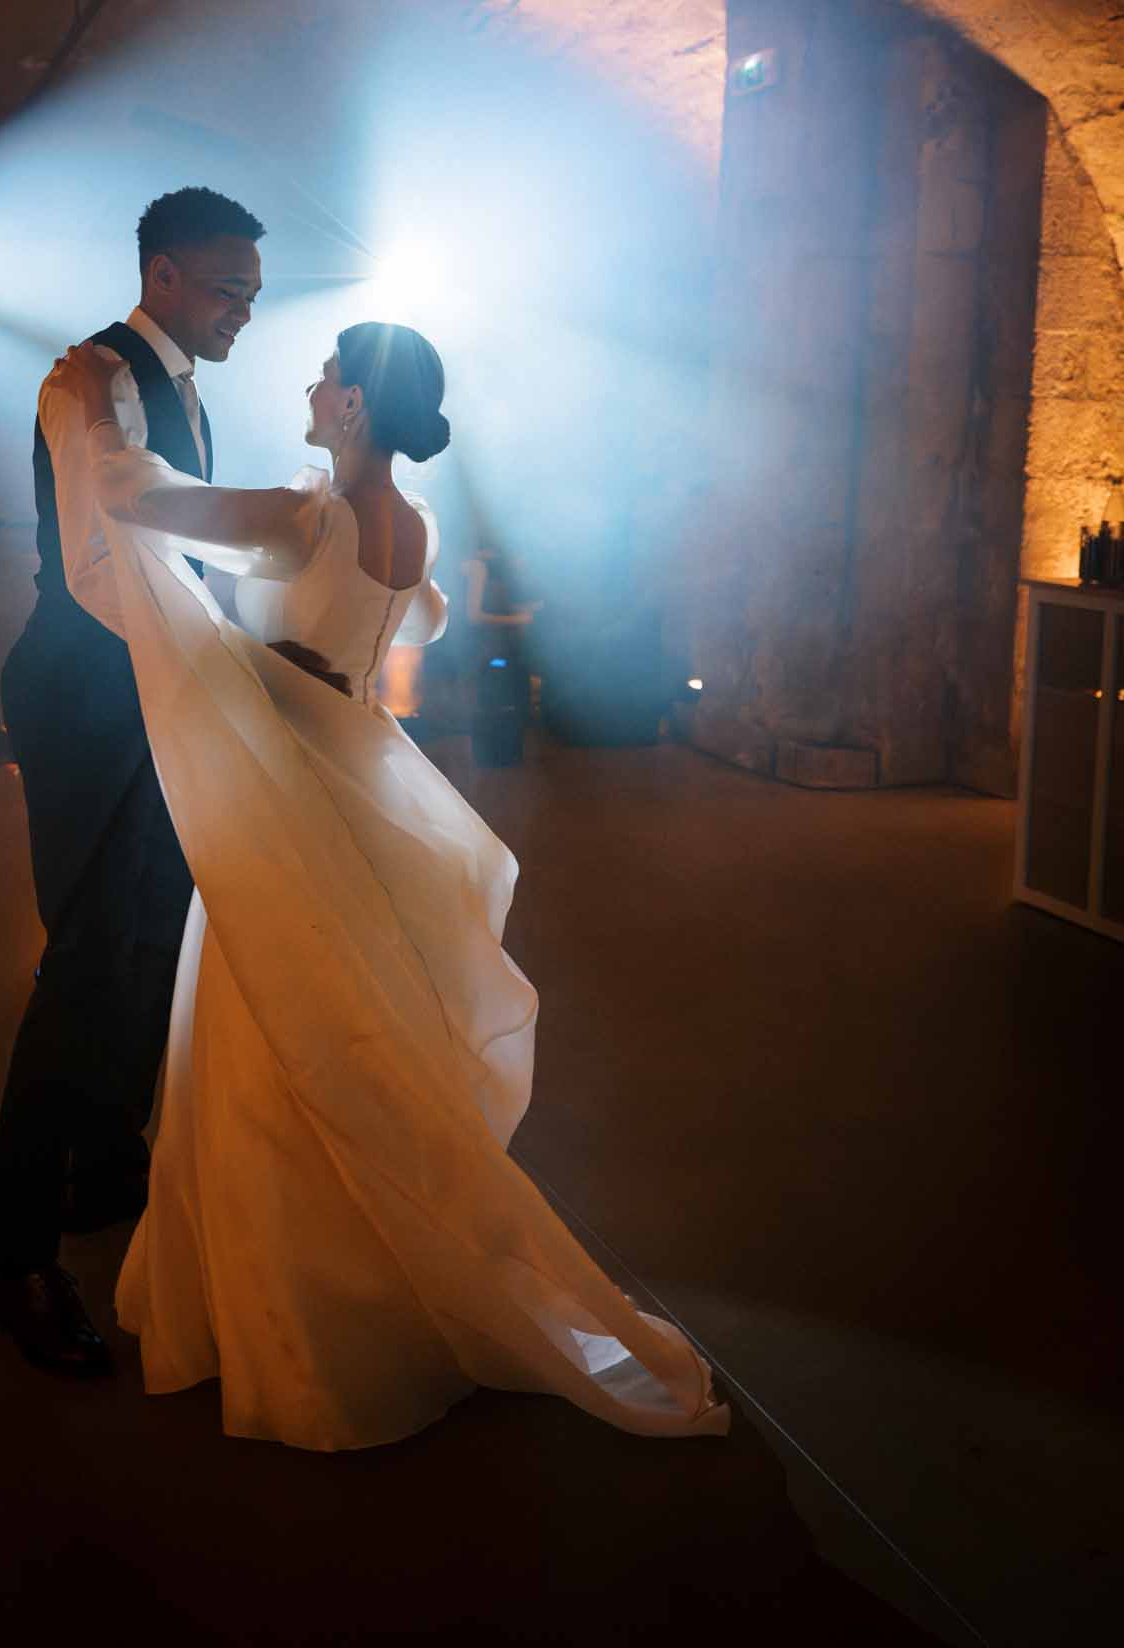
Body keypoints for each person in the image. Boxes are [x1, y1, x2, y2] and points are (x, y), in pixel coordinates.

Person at [47, 319, 730, 1450]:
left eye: (325, 375)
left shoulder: (300, 515)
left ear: (355, 403)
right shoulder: (408, 524)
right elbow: (391, 624)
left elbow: (134, 496)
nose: (311, 389)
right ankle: (382, 1279)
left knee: (267, 1030)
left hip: (289, 800)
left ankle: (298, 1311)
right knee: (354, 1030)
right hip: (367, 792)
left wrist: (89, 409)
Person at [0, 185, 265, 1374]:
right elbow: (102, 563)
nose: (241, 313)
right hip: (89, 694)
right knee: (87, 961)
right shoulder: (85, 381)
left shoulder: (185, 380)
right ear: (159, 274)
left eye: (251, 295)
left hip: (156, 686)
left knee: (154, 936)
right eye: (222, 291)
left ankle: (106, 1166)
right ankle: (21, 1258)